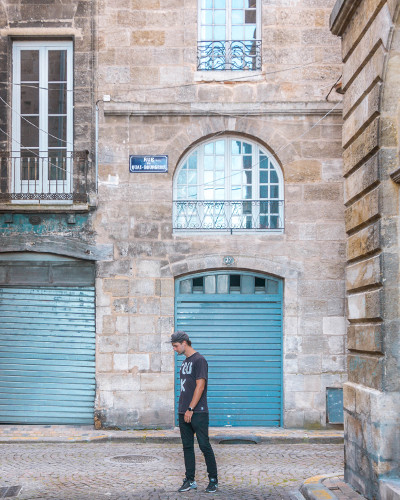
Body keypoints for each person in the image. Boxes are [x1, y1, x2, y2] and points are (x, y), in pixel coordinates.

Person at [170, 330, 218, 493]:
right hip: (183, 411)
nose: (174, 349)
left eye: (176, 346)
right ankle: (190, 480)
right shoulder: (185, 362)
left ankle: (213, 480)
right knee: (187, 447)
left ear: (184, 343)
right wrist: (183, 409)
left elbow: (200, 386)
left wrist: (191, 408)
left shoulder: (199, 360)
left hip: (198, 412)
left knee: (204, 445)